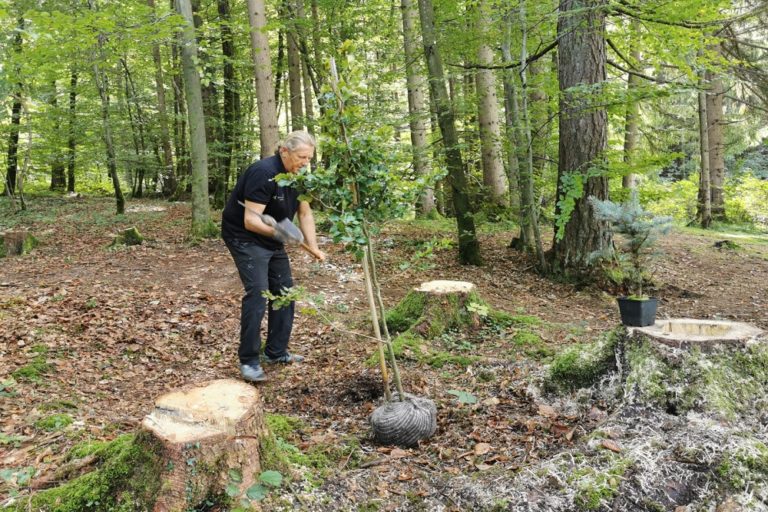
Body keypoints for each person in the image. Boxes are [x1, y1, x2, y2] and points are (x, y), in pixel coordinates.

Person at [221, 131, 326, 383]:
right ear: (284, 152)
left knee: (285, 292)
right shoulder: (263, 173)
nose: (305, 163)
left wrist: (313, 246)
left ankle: (276, 352)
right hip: (244, 237)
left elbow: (305, 213)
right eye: (301, 157)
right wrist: (282, 234)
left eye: (309, 158)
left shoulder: (299, 176)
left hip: (273, 236)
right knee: (258, 293)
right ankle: (249, 361)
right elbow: (250, 221)